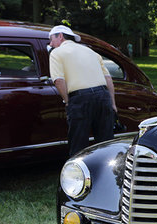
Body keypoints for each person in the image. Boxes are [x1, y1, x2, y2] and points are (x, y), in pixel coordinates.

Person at [48, 25, 117, 157]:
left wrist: (67, 101)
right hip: (103, 97)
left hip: (79, 99)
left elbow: (58, 80)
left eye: (51, 39)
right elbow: (108, 78)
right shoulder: (91, 52)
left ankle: (77, 175)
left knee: (78, 144)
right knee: (106, 143)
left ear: (60, 36)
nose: (50, 44)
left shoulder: (56, 53)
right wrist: (113, 103)